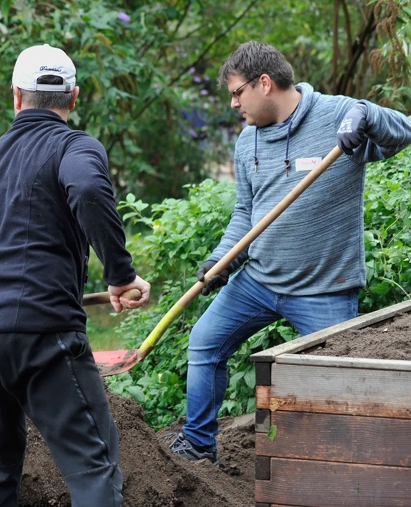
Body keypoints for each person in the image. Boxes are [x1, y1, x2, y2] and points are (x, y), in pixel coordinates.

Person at [0, 44, 151, 507]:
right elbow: (85, 189)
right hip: (41, 328)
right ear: (74, 97)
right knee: (93, 463)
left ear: (15, 97)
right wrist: (121, 274)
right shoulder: (74, 147)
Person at [167, 41, 411, 464]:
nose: (233, 103)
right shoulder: (248, 142)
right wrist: (222, 259)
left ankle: (338, 470)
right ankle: (198, 446)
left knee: (340, 387)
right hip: (258, 281)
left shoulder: (338, 117)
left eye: (237, 92)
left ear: (264, 84)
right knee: (204, 343)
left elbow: (404, 130)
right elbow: (247, 212)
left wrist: (368, 114)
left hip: (325, 290)